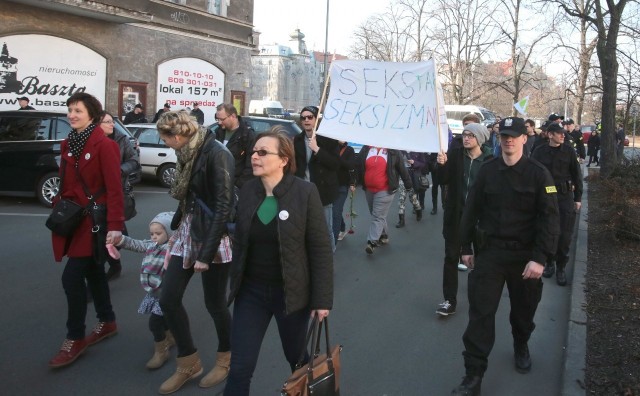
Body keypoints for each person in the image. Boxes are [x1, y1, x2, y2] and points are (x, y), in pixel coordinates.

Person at [451, 117, 559, 395]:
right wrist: (465, 248)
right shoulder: (488, 171)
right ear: (499, 139)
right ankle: (473, 375)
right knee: (481, 314)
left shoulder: (539, 174)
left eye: (514, 135)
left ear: (525, 138)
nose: (508, 140)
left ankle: (521, 342)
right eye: (504, 136)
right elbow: (471, 210)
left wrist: (541, 258)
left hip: (526, 257)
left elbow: (550, 219)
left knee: (523, 312)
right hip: (491, 254)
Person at [224, 127, 333, 396]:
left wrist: (322, 300)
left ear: (284, 159)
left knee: (297, 360)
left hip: (291, 295)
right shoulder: (248, 190)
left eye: (263, 152)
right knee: (239, 367)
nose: (254, 157)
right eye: (253, 152)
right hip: (251, 293)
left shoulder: (305, 193)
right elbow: (240, 237)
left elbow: (320, 249)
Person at [155, 111, 235, 394]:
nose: (166, 145)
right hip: (190, 229)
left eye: (165, 140)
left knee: (215, 304)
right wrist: (178, 219)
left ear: (177, 137)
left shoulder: (217, 153)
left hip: (212, 236)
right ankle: (189, 362)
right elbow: (191, 192)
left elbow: (224, 207)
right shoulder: (187, 152)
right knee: (168, 298)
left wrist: (206, 253)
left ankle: (227, 358)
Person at [48, 92, 124, 368]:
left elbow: (115, 189)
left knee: (71, 279)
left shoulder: (105, 146)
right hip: (72, 218)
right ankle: (107, 320)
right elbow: (65, 182)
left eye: (77, 110)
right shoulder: (68, 144)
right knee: (94, 272)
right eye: (69, 110)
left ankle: (75, 337)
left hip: (93, 222)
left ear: (91, 114)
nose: (71, 115)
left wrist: (115, 226)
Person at [435, 123, 492, 317]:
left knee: (481, 261)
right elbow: (442, 180)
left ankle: (479, 299)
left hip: (481, 220)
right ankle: (449, 300)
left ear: (480, 139)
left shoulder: (490, 160)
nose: (466, 138)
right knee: (451, 258)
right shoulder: (457, 157)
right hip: (456, 216)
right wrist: (441, 164)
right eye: (465, 135)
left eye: (471, 135)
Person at [111, 212, 176, 369]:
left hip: (166, 294)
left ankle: (161, 351)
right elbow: (138, 244)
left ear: (169, 232)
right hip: (154, 292)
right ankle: (169, 337)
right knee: (164, 319)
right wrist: (121, 240)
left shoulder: (171, 249)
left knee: (154, 322)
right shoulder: (153, 245)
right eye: (151, 233)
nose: (154, 237)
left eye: (158, 233)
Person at [532, 122, 583, 286]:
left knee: (564, 234)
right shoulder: (539, 151)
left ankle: (561, 267)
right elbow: (532, 173)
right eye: (559, 133)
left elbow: (577, 175)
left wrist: (578, 198)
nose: (563, 135)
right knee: (546, 231)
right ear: (550, 135)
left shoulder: (568, 151)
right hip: (545, 197)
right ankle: (549, 263)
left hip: (564, 197)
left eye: (563, 133)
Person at [99, 111, 141, 281]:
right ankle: (105, 265)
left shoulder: (121, 139)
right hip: (98, 195)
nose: (112, 125)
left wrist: (119, 170)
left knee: (116, 231)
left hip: (117, 191)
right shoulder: (91, 141)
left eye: (112, 121)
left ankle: (113, 262)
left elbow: (134, 161)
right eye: (107, 122)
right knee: (101, 233)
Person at [294, 105, 340, 251]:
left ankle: (329, 261)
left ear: (316, 119)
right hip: (302, 191)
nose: (306, 120)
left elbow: (335, 164)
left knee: (325, 229)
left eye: (310, 117)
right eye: (303, 118)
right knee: (304, 228)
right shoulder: (298, 139)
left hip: (322, 192)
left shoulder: (328, 140)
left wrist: (317, 149)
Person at [357, 145, 415, 254]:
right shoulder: (366, 148)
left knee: (378, 215)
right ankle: (384, 235)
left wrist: (409, 185)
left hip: (385, 190)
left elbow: (402, 169)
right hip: (369, 189)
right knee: (376, 214)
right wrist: (354, 180)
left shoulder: (393, 151)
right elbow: (358, 164)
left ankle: (371, 241)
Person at [214, 103, 256, 189]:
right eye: (217, 119)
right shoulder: (218, 132)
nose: (219, 122)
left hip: (235, 187)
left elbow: (250, 166)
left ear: (233, 116)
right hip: (217, 184)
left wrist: (237, 185)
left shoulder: (247, 135)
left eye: (222, 119)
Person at [333, 140, 356, 243]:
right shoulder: (331, 147)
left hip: (342, 185)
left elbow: (351, 166)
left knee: (336, 211)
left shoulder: (349, 150)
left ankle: (334, 238)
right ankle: (342, 228)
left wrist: (337, 158)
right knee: (333, 210)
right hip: (330, 185)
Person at [395, 151, 424, 228]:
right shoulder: (399, 150)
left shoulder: (416, 148)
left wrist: (414, 162)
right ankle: (401, 220)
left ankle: (418, 209)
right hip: (402, 176)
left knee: (413, 198)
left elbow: (423, 164)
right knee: (401, 198)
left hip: (412, 177)